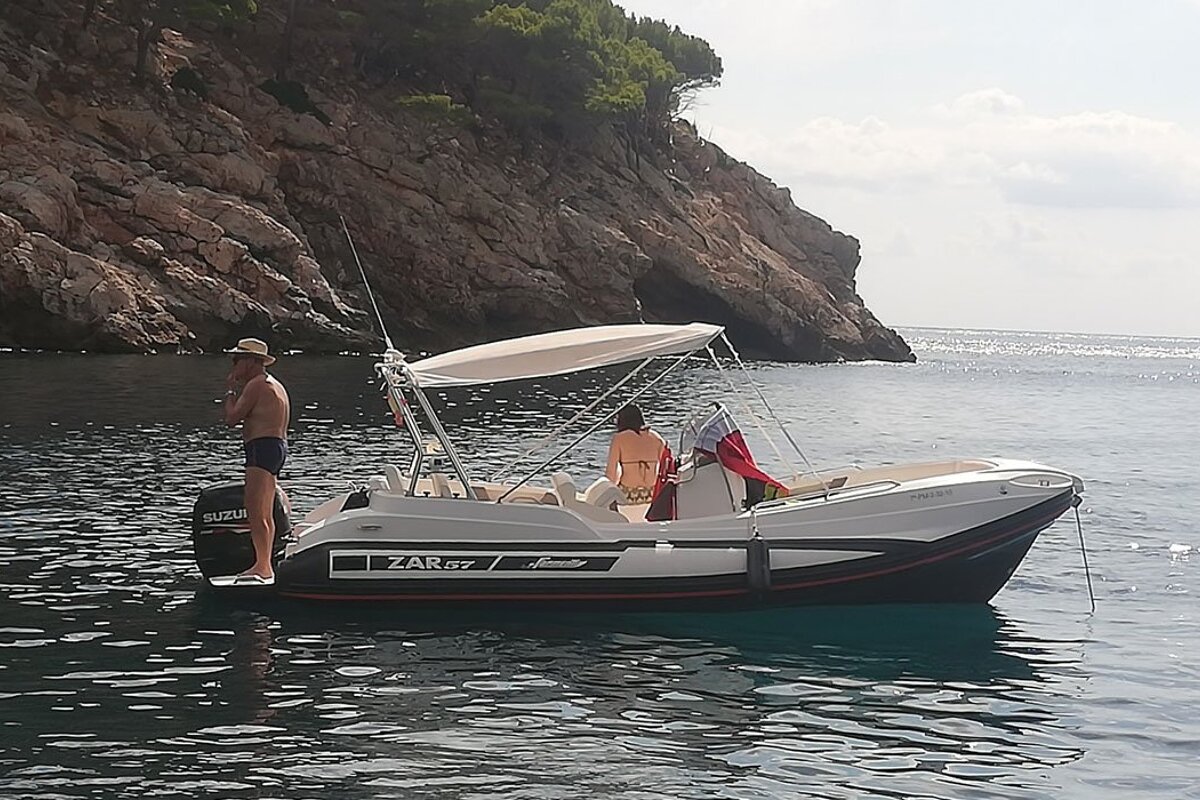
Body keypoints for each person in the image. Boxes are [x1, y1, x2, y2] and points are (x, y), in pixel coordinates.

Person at [222, 337, 291, 584]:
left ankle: (262, 566)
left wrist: (230, 390)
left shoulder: (256, 385)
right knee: (265, 510)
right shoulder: (276, 385)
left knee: (255, 509)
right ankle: (264, 563)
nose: (234, 365)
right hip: (276, 447)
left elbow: (231, 418)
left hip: (261, 448)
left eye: (237, 360)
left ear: (252, 362)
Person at [605, 403, 666, 505]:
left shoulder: (619, 438)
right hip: (652, 493)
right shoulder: (656, 438)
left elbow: (611, 472)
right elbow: (665, 467)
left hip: (628, 494)